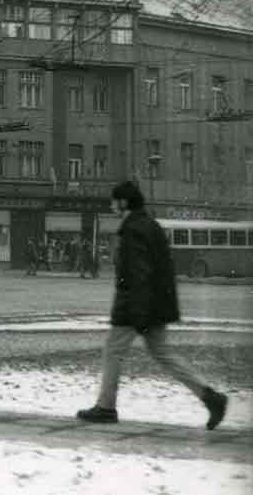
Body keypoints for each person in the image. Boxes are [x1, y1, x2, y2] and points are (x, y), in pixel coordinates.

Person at [77, 181, 228, 430]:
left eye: (114, 201)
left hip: (137, 307)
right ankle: (211, 397)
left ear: (123, 203)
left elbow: (139, 274)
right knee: (164, 354)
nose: (111, 205)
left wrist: (137, 314)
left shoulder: (133, 229)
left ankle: (105, 407)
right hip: (155, 305)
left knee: (113, 350)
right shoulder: (150, 225)